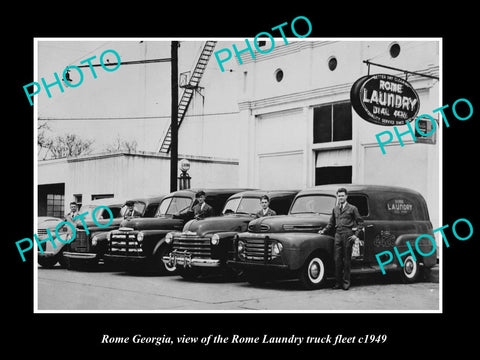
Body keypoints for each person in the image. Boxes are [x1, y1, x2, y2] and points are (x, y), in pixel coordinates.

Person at [320, 187, 363, 290]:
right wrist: (323, 231)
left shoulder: (352, 208)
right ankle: (338, 283)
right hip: (338, 235)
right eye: (339, 196)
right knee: (337, 260)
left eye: (342, 196)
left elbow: (360, 223)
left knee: (347, 260)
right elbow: (331, 224)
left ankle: (346, 283)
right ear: (337, 197)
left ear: (346, 196)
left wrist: (355, 235)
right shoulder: (335, 209)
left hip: (348, 235)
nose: (341, 198)